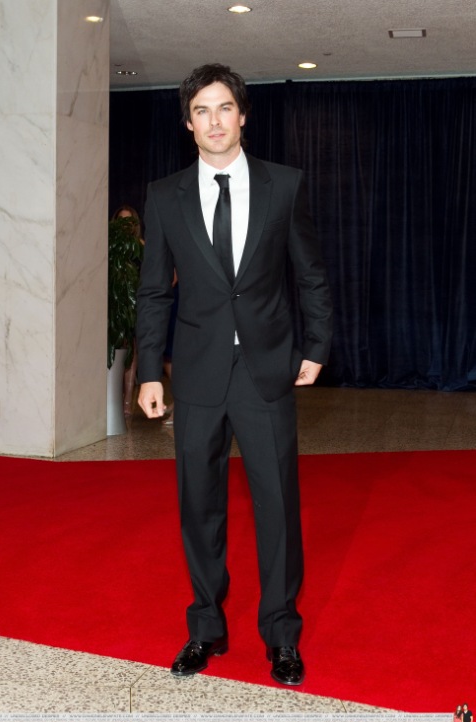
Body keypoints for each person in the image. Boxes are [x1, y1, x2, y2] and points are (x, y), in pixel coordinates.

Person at [136, 63, 333, 686]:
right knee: (200, 507)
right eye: (202, 111)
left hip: (267, 371)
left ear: (243, 116)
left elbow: (310, 274)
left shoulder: (284, 186)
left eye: (225, 108)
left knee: (277, 507)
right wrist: (148, 372)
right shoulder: (165, 196)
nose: (215, 121)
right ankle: (205, 629)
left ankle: (280, 634)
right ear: (187, 122)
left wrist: (317, 345)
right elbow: (153, 294)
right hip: (195, 376)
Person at [111, 205, 144, 416]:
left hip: (136, 306)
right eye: (121, 220)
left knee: (132, 350)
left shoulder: (141, 247)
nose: (125, 225)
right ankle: (113, 398)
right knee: (117, 350)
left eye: (129, 221)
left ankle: (127, 401)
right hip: (115, 306)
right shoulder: (110, 247)